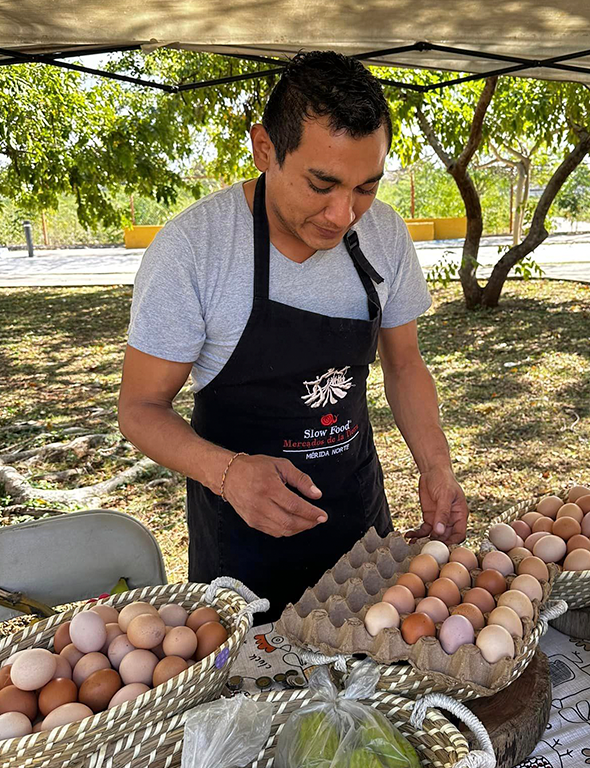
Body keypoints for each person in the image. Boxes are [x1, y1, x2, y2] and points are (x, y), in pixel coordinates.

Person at [118, 51, 468, 621]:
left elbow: (404, 364)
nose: (343, 214)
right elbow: (139, 407)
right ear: (264, 148)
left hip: (358, 522)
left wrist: (436, 466)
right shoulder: (195, 250)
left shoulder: (384, 235)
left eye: (366, 187)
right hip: (243, 539)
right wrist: (228, 474)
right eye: (322, 183)